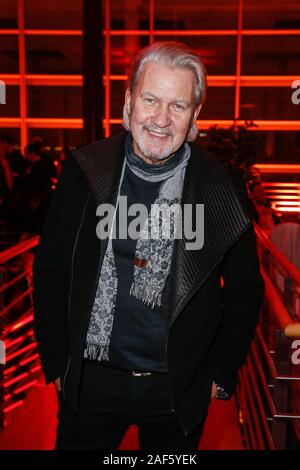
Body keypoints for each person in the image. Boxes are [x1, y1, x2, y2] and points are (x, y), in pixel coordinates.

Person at [32, 41, 265, 450]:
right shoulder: (85, 170)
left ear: (195, 115)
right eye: (151, 99)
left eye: (178, 105)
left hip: (176, 389)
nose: (161, 118)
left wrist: (221, 375)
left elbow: (246, 292)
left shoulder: (220, 187)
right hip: (90, 382)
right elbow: (51, 271)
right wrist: (57, 362)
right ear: (128, 102)